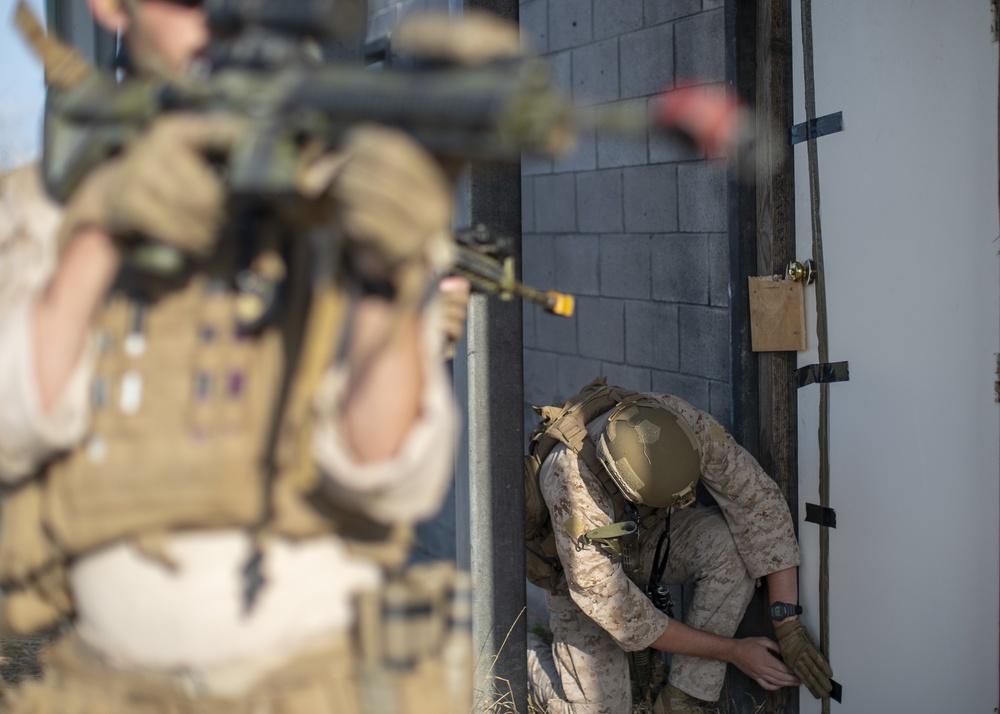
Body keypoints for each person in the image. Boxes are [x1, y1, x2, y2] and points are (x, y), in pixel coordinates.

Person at [0, 0, 513, 711]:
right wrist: (100, 228)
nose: (223, 20)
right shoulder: (39, 205)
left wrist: (380, 273)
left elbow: (389, 473)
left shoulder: (346, 197)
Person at [525, 381, 832, 714]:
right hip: (574, 576)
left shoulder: (678, 420)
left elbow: (756, 500)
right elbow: (623, 614)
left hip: (646, 534)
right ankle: (512, 648)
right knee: (599, 709)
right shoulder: (571, 484)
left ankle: (684, 699)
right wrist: (733, 652)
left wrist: (786, 621)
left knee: (729, 546)